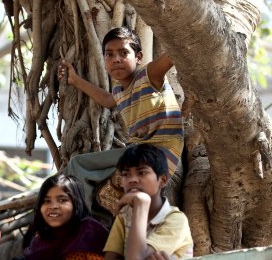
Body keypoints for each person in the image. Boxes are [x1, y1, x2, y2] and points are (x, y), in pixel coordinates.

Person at [58, 27, 184, 215]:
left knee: (76, 165)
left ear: (139, 56)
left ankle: (81, 221)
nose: (116, 59)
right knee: (76, 172)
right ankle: (89, 211)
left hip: (158, 154)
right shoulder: (119, 90)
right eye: (109, 55)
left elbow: (177, 51)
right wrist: (75, 81)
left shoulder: (150, 76)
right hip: (137, 153)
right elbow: (108, 100)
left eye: (124, 53)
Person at [2, 174, 109, 260]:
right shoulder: (40, 240)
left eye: (62, 200)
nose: (53, 206)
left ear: (76, 203)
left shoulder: (89, 230)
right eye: (46, 201)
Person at [101, 144, 193, 260]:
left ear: (163, 179)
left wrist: (141, 202)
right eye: (126, 174)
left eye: (142, 172)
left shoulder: (175, 220)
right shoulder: (125, 215)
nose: (132, 180)